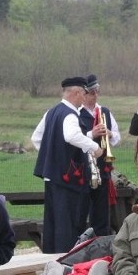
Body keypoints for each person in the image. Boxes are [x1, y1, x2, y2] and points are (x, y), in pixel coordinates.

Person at [32, 76, 103, 252]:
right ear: (77, 93)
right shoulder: (70, 114)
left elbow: (37, 138)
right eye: (84, 94)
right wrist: (94, 147)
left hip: (51, 177)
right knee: (67, 224)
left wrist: (53, 157)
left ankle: (49, 258)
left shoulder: (52, 112)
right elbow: (71, 136)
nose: (84, 99)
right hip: (67, 179)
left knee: (52, 223)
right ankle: (65, 262)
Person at [78, 74, 122, 236]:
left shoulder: (105, 112)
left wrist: (109, 133)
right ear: (83, 94)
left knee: (102, 214)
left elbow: (117, 139)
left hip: (103, 169)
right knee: (81, 213)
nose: (95, 95)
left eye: (97, 91)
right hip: (82, 170)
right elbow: (73, 140)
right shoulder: (75, 113)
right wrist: (91, 133)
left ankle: (101, 244)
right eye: (92, 92)